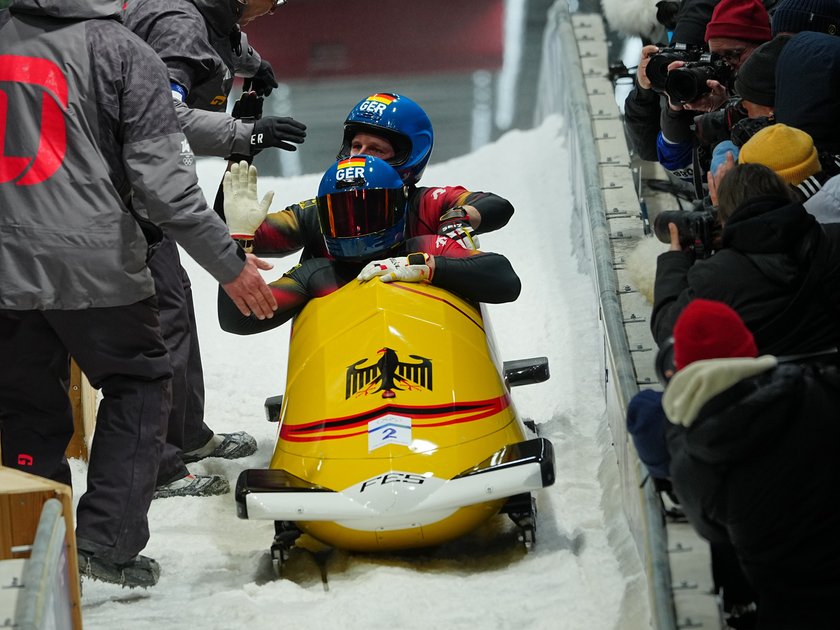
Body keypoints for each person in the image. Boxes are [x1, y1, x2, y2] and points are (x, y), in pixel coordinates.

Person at [0, 0, 277, 587]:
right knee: (141, 382)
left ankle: (33, 548)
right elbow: (164, 186)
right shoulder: (124, 52)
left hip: (6, 264)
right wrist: (228, 263)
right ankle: (106, 546)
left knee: (26, 406)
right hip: (94, 259)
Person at [122, 0, 308, 498]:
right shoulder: (179, 25)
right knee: (158, 325)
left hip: (142, 195)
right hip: (131, 198)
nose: (273, 9)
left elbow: (220, 39)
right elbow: (163, 114)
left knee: (176, 309)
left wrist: (251, 63)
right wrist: (246, 133)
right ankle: (158, 466)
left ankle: (186, 436)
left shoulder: (202, 16)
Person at [663, 298, 840, 628]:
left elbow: (710, 529)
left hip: (794, 609)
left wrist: (678, 430)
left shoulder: (698, 463)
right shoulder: (821, 388)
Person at [218, 156, 521, 335]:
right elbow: (238, 319)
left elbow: (505, 279)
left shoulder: (426, 248)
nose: (356, 225)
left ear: (395, 209)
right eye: (343, 215)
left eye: (368, 211)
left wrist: (427, 268)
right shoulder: (316, 274)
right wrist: (238, 245)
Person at [245, 92, 515, 261]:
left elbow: (496, 205)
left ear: (407, 157)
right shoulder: (316, 215)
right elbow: (240, 239)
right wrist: (240, 146)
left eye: (375, 149)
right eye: (356, 146)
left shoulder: (429, 204)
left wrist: (461, 218)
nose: (360, 156)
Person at [651, 163, 840, 356]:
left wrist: (673, 262)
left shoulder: (714, 277)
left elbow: (669, 334)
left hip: (770, 381)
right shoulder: (833, 240)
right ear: (787, 194)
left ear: (723, 219)